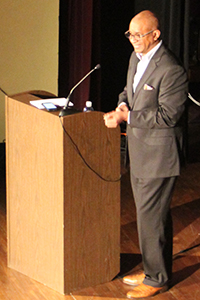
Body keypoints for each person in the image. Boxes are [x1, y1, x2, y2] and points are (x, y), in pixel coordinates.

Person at [103, 10, 188, 299]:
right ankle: (155, 269)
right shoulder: (135, 59)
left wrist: (129, 117)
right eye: (130, 34)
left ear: (156, 35)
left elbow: (168, 116)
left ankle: (156, 279)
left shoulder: (171, 69)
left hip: (159, 156)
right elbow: (128, 93)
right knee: (150, 217)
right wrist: (120, 108)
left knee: (151, 218)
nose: (134, 40)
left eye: (139, 35)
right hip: (140, 152)